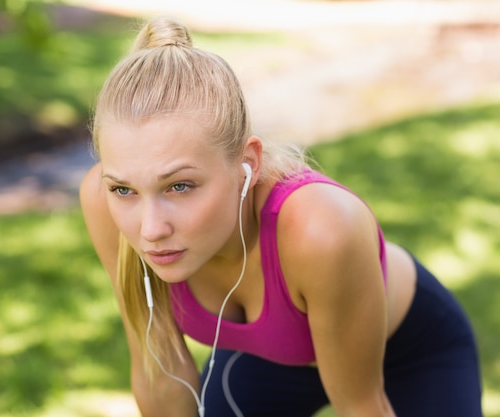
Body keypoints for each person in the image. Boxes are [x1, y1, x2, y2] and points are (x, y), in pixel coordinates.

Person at [79, 16, 483, 417]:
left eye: (179, 186)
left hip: (411, 350)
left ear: (247, 163)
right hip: (273, 361)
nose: (150, 229)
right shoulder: (104, 203)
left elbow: (362, 406)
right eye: (124, 190)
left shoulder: (322, 231)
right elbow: (160, 374)